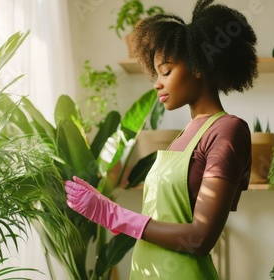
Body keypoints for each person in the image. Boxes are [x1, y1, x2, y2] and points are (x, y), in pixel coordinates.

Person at [64, 0, 258, 278]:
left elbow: (200, 238)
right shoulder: (184, 136)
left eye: (166, 71)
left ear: (199, 66)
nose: (157, 83)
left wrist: (114, 215)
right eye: (155, 73)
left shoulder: (227, 130)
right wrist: (101, 204)